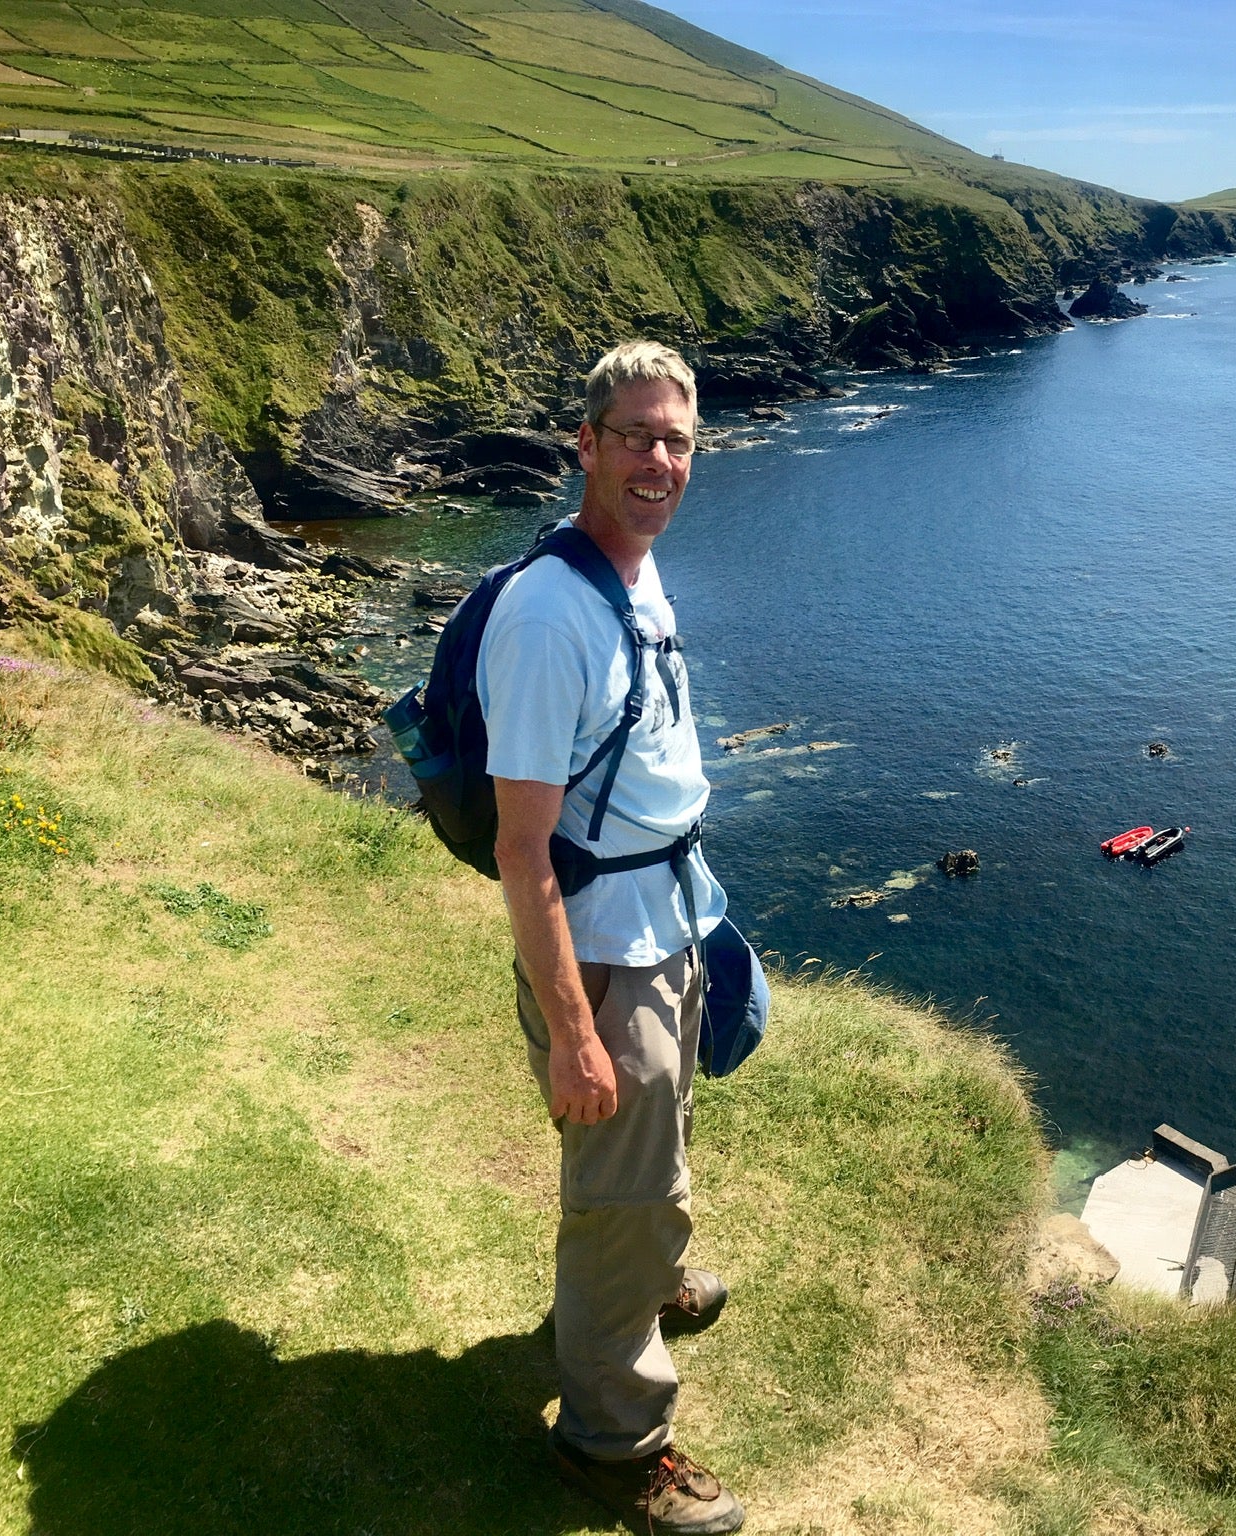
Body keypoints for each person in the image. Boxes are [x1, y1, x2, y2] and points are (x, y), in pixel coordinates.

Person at [485, 341, 744, 1534]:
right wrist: (575, 1034)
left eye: (676, 440)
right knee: (621, 1184)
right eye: (635, 435)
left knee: (659, 1141)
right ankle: (612, 1441)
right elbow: (522, 849)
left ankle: (641, 1284)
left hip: (666, 916)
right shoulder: (550, 615)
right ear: (585, 444)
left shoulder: (630, 568)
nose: (658, 460)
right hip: (603, 944)